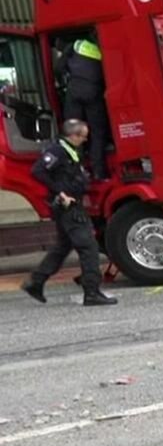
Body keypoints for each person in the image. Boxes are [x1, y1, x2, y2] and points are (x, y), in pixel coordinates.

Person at [20, 117, 116, 306]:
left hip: (70, 205)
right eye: (83, 136)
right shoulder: (58, 150)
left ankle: (36, 282)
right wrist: (60, 191)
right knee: (89, 248)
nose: (85, 140)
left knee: (62, 247)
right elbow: (38, 171)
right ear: (73, 135)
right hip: (69, 207)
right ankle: (92, 292)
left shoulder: (69, 150)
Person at [55, 34, 108, 175]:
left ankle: (78, 170)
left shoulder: (75, 45)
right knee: (97, 132)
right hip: (94, 92)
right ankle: (99, 171)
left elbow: (59, 68)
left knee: (73, 132)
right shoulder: (101, 48)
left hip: (74, 91)